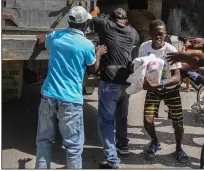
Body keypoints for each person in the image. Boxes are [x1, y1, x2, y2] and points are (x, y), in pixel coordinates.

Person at [35, 6, 107, 169]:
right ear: (84, 25)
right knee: (73, 148)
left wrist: (41, 38)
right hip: (71, 101)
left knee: (44, 142)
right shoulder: (86, 45)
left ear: (69, 21)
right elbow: (93, 69)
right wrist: (98, 54)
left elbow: (41, 42)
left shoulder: (55, 37)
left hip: (48, 96)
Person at [89, 8, 139, 169]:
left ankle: (112, 160)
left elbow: (92, 16)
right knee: (122, 116)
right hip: (126, 80)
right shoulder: (132, 32)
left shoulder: (106, 26)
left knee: (106, 122)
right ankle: (122, 146)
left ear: (112, 18)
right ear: (125, 20)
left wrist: (98, 11)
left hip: (109, 80)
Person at [139, 19, 189, 163]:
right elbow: (139, 69)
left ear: (165, 34)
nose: (157, 36)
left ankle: (179, 148)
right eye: (154, 33)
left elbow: (177, 77)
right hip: (153, 90)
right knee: (147, 121)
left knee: (178, 122)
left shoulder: (170, 50)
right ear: (150, 33)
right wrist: (141, 80)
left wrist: (158, 84)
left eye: (160, 34)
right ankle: (155, 141)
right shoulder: (144, 47)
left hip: (171, 90)